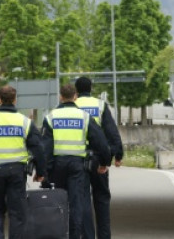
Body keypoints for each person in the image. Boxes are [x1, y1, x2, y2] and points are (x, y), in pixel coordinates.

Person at [0, 85, 46, 239]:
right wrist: (41, 172)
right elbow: (38, 148)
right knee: (17, 213)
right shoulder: (25, 122)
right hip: (17, 172)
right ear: (15, 100)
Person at [42, 84, 111, 239]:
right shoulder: (85, 117)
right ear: (75, 97)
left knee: (59, 203)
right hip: (77, 167)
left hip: (58, 167)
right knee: (77, 204)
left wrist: (43, 172)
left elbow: (45, 148)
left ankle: (60, 234)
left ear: (60, 97)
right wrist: (104, 162)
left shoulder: (51, 117)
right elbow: (101, 142)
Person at [74, 76, 124, 239]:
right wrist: (117, 154)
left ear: (76, 90)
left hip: (79, 159)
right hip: (99, 158)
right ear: (91, 89)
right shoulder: (100, 105)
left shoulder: (72, 106)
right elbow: (111, 131)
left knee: (84, 201)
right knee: (102, 198)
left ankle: (87, 236)